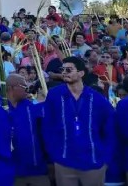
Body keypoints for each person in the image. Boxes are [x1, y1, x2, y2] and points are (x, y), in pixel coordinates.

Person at [43, 56, 115, 186]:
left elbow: (110, 130)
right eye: (62, 69)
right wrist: (54, 154)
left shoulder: (97, 98)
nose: (64, 73)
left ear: (81, 73)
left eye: (68, 70)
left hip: (93, 162)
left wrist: (105, 159)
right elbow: (47, 126)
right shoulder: (54, 95)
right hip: (64, 161)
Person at [5, 73, 49, 186]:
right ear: (12, 88)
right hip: (11, 173)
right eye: (24, 86)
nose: (27, 89)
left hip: (37, 171)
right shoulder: (1, 108)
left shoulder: (32, 107)